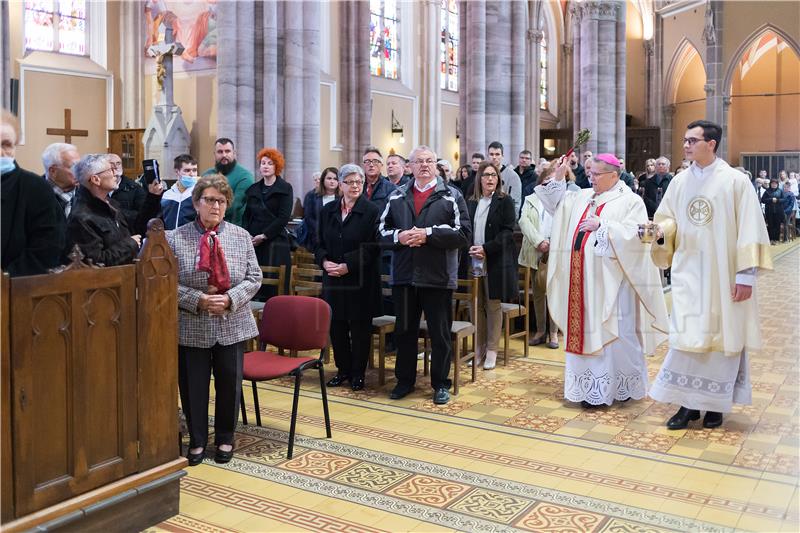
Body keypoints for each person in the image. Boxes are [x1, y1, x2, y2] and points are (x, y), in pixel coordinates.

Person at [648, 119, 772, 430]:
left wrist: (746, 276)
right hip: (689, 273)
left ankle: (716, 405)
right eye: (685, 141)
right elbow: (667, 219)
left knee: (722, 339)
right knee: (687, 338)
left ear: (711, 144)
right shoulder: (678, 182)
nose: (686, 145)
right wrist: (659, 231)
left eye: (692, 140)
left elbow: (750, 229)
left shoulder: (735, 181)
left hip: (724, 276)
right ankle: (688, 405)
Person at [535, 154, 669, 407]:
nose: (590, 178)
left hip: (613, 284)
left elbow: (638, 236)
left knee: (617, 335)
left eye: (596, 174)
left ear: (613, 176)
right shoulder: (583, 197)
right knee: (586, 331)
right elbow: (556, 207)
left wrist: (603, 226)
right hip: (580, 280)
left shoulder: (630, 201)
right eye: (589, 173)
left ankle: (618, 387)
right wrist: (560, 177)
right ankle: (590, 389)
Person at [166, 174, 262, 466]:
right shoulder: (175, 238)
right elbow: (166, 282)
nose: (216, 206)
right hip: (192, 323)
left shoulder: (240, 235)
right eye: (209, 200)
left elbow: (254, 277)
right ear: (196, 203)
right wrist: (199, 300)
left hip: (232, 322)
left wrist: (229, 298)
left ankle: (225, 437)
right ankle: (196, 441)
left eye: (221, 201)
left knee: (229, 385)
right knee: (193, 386)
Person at [379, 145, 471, 405]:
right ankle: (404, 381)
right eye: (418, 161)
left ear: (435, 165)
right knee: (405, 331)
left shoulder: (451, 195)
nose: (424, 165)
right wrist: (400, 236)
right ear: (409, 166)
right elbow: (380, 232)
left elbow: (463, 233)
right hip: (405, 275)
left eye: (429, 161)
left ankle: (441, 383)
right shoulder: (396, 196)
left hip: (438, 276)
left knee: (439, 333)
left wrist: (428, 234)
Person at [316, 164, 381, 391]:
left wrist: (348, 265)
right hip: (333, 278)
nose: (355, 186)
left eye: (359, 182)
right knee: (337, 326)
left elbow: (373, 246)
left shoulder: (372, 210)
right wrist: (324, 261)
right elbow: (319, 242)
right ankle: (342, 370)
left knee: (360, 328)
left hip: (359, 279)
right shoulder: (328, 210)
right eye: (350, 182)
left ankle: (358, 374)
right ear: (341, 185)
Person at [66, 154, 162, 266]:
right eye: (111, 170)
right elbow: (96, 262)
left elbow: (137, 227)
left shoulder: (110, 204)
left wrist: (153, 196)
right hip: (108, 281)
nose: (116, 174)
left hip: (126, 275)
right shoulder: (81, 217)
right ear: (96, 179)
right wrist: (130, 244)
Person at [466, 161, 518, 370]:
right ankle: (478, 348)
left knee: (492, 304)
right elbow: (466, 227)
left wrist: (486, 248)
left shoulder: (505, 201)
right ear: (479, 178)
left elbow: (507, 232)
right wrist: (470, 247)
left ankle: (492, 350)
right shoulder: (471, 201)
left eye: (493, 175)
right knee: (475, 305)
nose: (490, 179)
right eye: (486, 175)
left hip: (494, 259)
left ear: (498, 179)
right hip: (473, 259)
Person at [1, 109, 65, 276]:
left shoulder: (35, 188)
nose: (1, 152)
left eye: (6, 145)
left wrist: (6, 278)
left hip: (17, 289)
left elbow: (47, 247)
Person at [243, 147, 293, 299]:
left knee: (273, 287)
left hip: (275, 242)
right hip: (254, 243)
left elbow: (283, 218)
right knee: (254, 283)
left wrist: (264, 235)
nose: (265, 166)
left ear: (276, 166)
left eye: (270, 163)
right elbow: (247, 216)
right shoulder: (253, 189)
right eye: (263, 163)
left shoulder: (285, 188)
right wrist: (248, 236)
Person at [518, 168, 559, 350]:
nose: (549, 182)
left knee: (554, 293)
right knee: (539, 294)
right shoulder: (531, 199)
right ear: (541, 181)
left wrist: (552, 242)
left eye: (553, 180)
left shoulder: (561, 200)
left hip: (555, 251)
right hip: (535, 251)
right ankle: (541, 330)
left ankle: (554, 332)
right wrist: (538, 241)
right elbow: (523, 221)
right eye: (547, 179)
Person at [202, 138, 254, 226]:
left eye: (227, 151)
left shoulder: (245, 176)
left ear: (234, 153)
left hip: (234, 228)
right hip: (206, 227)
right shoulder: (206, 175)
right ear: (214, 154)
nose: (224, 155)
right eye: (220, 152)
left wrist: (207, 209)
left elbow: (234, 205)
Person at [302, 166, 340, 253]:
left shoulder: (342, 197)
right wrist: (320, 232)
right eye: (329, 178)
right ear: (323, 180)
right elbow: (308, 217)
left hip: (336, 240)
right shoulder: (312, 195)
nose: (332, 181)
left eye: (335, 179)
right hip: (315, 238)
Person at [42, 142, 80, 221]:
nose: (79, 171)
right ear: (53, 171)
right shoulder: (32, 194)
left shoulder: (88, 193)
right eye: (73, 167)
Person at [107, 153, 145, 227]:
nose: (115, 167)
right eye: (111, 164)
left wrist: (116, 212)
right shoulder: (98, 187)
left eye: (118, 163)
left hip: (128, 230)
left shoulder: (134, 188)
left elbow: (142, 215)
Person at [162, 154, 199, 230]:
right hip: (169, 238)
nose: (192, 174)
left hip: (191, 239)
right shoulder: (167, 195)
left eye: (194, 170)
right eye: (187, 170)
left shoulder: (200, 193)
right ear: (177, 171)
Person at [487, 141, 522, 216]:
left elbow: (515, 203)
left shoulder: (513, 176)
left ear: (502, 156)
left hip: (504, 218)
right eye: (491, 154)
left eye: (497, 154)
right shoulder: (483, 175)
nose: (494, 157)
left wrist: (510, 224)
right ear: (488, 155)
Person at [361, 146, 397, 214]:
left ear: (381, 165)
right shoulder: (358, 186)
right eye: (367, 161)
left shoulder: (391, 188)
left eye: (375, 161)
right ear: (363, 165)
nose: (371, 165)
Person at [762, 178, 785, 243]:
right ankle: (771, 239)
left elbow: (784, 200)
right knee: (770, 225)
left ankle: (777, 239)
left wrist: (777, 200)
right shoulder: (767, 191)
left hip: (778, 211)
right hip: (769, 211)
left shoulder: (780, 191)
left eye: (775, 184)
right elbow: (763, 200)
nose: (774, 185)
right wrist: (771, 200)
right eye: (772, 183)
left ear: (777, 184)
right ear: (770, 184)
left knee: (777, 225)